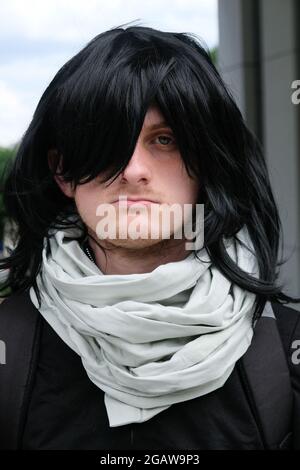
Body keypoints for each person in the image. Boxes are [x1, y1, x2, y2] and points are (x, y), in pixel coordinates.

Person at [0, 24, 299, 451]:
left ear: (208, 163)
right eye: (109, 140)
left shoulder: (284, 353)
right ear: (63, 171)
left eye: (165, 139)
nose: (133, 169)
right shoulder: (8, 351)